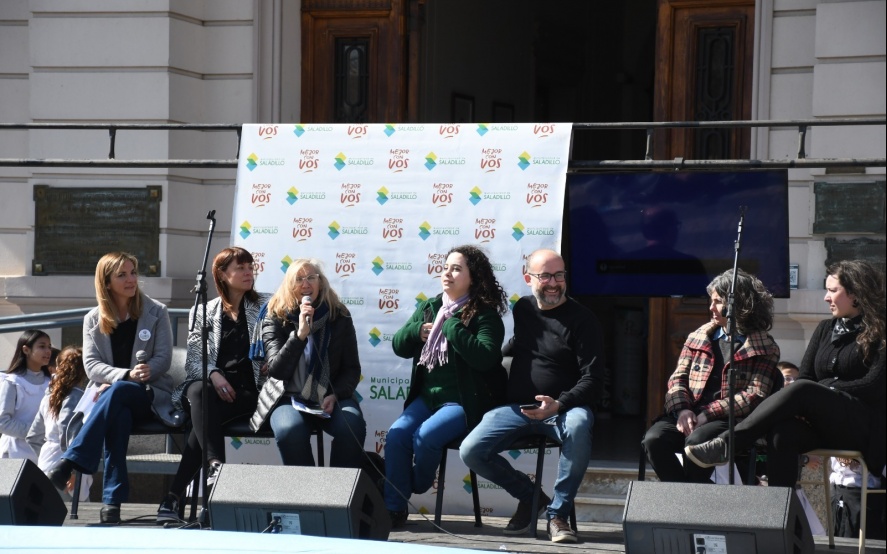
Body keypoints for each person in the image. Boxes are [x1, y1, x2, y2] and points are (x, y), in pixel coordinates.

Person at [686, 260, 886, 492]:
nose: (826, 297)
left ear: (856, 293)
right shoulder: (825, 328)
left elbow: (873, 385)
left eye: (833, 291)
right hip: (824, 424)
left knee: (804, 390)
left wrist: (824, 390)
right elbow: (806, 376)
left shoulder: (881, 330)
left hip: (862, 427)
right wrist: (821, 392)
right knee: (783, 432)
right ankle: (783, 509)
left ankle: (728, 443)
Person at [460, 248, 604, 543]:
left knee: (579, 425)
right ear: (528, 278)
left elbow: (593, 379)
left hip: (565, 408)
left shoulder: (584, 320)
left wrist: (559, 404)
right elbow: (521, 343)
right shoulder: (523, 309)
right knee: (471, 450)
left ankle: (558, 516)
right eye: (545, 276)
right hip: (519, 408)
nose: (553, 283)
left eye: (559, 275)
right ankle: (532, 497)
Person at [47, 252, 178, 524]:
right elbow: (91, 365)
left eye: (133, 273)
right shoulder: (93, 318)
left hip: (149, 396)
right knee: (118, 414)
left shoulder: (156, 311)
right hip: (112, 401)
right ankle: (112, 503)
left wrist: (146, 371)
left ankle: (70, 461)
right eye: (122, 275)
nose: (131, 279)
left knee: (116, 392)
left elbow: (164, 357)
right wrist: (126, 374)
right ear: (106, 282)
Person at [384, 245, 508, 528]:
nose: (447, 273)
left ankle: (413, 485)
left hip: (464, 402)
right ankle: (393, 509)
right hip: (427, 398)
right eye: (445, 267)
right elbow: (399, 347)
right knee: (397, 436)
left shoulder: (485, 315)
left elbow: (486, 358)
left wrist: (452, 327)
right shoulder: (429, 308)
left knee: (426, 436)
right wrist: (415, 331)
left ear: (473, 278)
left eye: (456, 269)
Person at [156, 247, 271, 523]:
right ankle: (214, 471)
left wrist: (273, 360)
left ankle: (176, 495)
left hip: (251, 393)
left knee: (203, 425)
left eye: (250, 267)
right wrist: (214, 374)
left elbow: (277, 345)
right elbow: (194, 361)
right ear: (221, 274)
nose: (248, 272)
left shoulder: (268, 305)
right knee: (199, 390)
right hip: (213, 392)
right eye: (240, 268)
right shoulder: (203, 311)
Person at [641, 269, 780, 484]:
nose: (711, 307)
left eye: (717, 302)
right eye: (711, 301)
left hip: (728, 420)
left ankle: (690, 499)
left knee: (697, 443)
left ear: (738, 304)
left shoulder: (764, 347)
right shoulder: (698, 337)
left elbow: (755, 395)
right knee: (654, 439)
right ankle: (687, 495)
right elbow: (677, 380)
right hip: (690, 413)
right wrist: (682, 409)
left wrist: (708, 413)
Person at [251, 258, 366, 469]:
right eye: (298, 279)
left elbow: (351, 368)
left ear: (320, 282)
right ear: (289, 285)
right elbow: (277, 371)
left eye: (311, 277)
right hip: (287, 397)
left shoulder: (339, 314)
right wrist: (300, 335)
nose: (305, 284)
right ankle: (307, 489)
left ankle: (339, 488)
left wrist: (335, 395)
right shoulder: (275, 316)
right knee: (289, 431)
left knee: (352, 426)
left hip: (329, 395)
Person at [27, 346, 93, 501]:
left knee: (48, 511)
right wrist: (72, 470)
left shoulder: (48, 397)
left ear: (58, 367)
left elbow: (33, 437)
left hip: (46, 463)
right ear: (85, 371)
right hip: (67, 470)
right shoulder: (78, 398)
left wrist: (46, 459)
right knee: (76, 512)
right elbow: (68, 434)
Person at [1, 330, 53, 461]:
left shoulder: (52, 383)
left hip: (44, 455)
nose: (48, 351)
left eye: (49, 347)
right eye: (42, 346)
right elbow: (3, 422)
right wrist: (36, 433)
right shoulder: (12, 382)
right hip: (15, 454)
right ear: (26, 350)